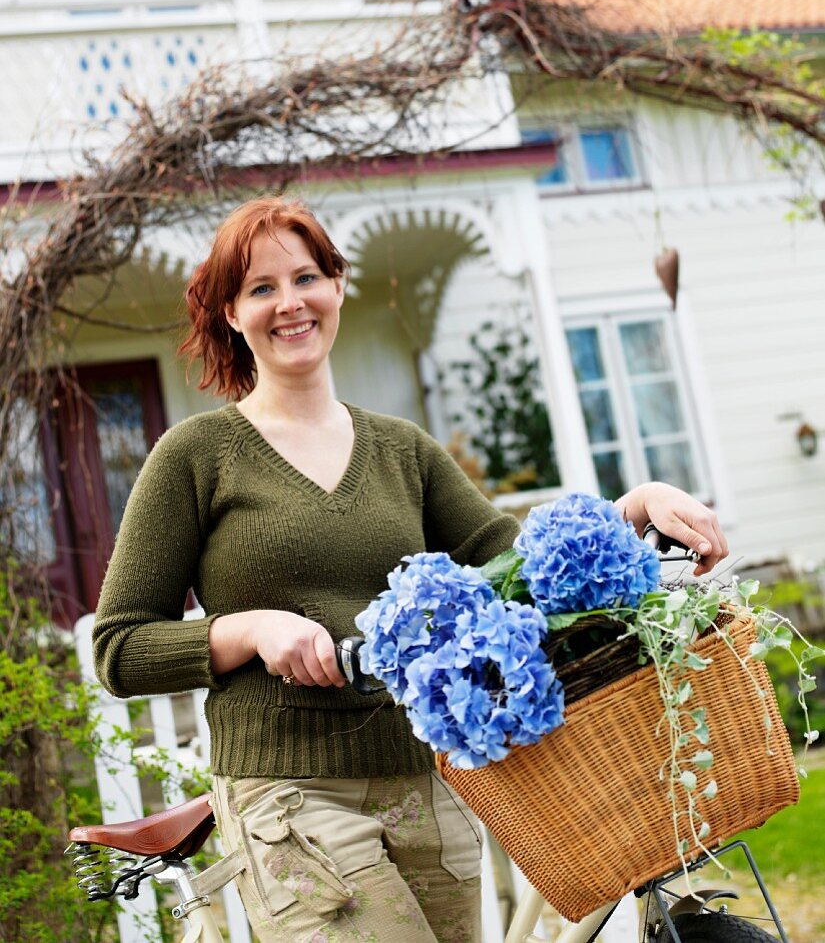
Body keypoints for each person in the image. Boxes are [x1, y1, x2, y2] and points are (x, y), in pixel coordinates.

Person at [92, 196, 728, 943]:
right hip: (292, 796)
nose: (288, 303)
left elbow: (516, 563)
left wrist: (636, 506)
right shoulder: (197, 456)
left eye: (305, 278)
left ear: (336, 285)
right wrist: (248, 629)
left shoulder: (402, 450)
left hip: (427, 786)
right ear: (232, 313)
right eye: (261, 288)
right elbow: (119, 647)